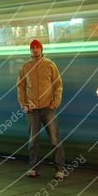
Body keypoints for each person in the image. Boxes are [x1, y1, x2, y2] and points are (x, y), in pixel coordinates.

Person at [17, 39, 66, 180]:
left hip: (48, 109)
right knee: (33, 141)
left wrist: (55, 102)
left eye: (38, 47)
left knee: (55, 140)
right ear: (30, 51)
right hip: (32, 110)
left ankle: (60, 169)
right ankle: (33, 168)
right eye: (33, 48)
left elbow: (58, 85)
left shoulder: (50, 65)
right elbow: (20, 87)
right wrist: (23, 104)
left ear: (42, 49)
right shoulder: (25, 67)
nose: (35, 50)